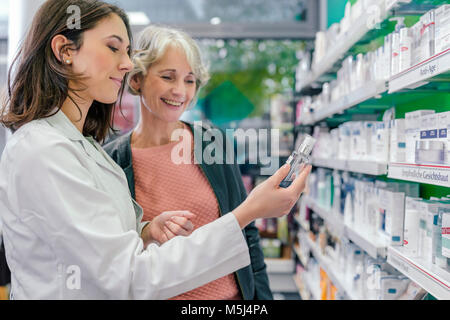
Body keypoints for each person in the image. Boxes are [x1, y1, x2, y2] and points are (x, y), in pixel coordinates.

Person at [0, 0, 311, 299]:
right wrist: (250, 211)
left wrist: (145, 230)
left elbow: (101, 238)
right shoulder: (47, 151)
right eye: (112, 48)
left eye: (190, 80)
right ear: (65, 50)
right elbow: (130, 275)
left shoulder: (83, 147)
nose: (125, 63)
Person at [104, 25, 273, 300]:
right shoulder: (113, 160)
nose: (180, 91)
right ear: (136, 80)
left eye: (190, 80)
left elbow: (247, 232)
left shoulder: (211, 142)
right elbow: (114, 255)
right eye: (168, 77)